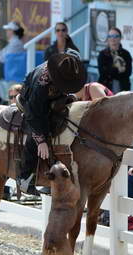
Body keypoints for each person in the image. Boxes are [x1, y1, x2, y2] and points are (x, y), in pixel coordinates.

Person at [19, 48, 86, 195]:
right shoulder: (42, 81)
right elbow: (33, 111)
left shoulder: (64, 69)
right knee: (39, 130)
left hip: (50, 99)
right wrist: (40, 139)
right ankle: (25, 177)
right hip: (32, 102)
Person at [98, 27, 132, 93]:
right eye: (110, 36)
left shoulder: (126, 54)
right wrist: (118, 69)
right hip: (106, 88)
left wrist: (114, 70)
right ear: (108, 39)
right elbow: (103, 73)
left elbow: (128, 72)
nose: (113, 39)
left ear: (120, 38)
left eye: (116, 36)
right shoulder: (103, 54)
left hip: (122, 87)